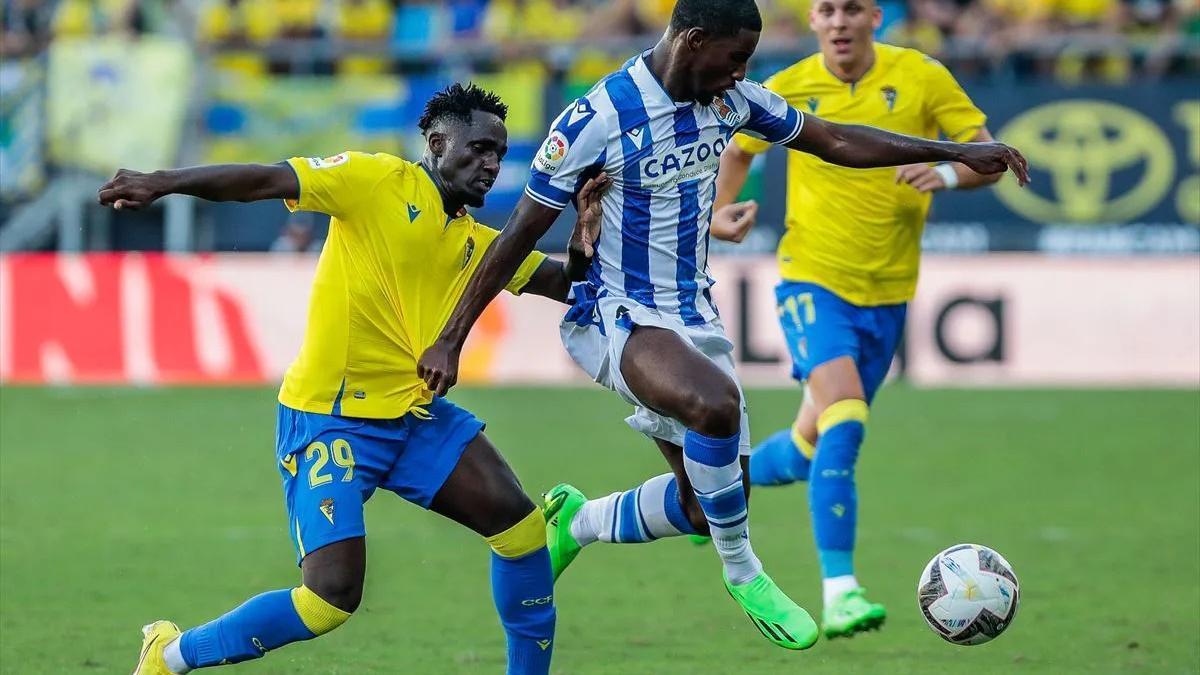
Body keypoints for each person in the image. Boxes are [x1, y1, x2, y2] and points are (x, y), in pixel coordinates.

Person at [415, 0, 1028, 651]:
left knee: (700, 507)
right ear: (694, 40)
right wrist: (451, 338)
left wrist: (958, 149)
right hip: (614, 311)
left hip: (692, 311)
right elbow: (516, 236)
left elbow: (836, 139)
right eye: (734, 58)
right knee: (716, 404)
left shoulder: (733, 100)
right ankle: (746, 573)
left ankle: (575, 521)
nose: (741, 72)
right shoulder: (599, 117)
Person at [100, 83, 609, 675]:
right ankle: (171, 655)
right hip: (329, 418)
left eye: (498, 152)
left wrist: (580, 246)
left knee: (521, 533)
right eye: (478, 148)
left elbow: (561, 284)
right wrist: (163, 182)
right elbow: (266, 180)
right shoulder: (375, 182)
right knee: (327, 602)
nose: (491, 164)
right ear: (437, 142)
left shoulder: (479, 241)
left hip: (412, 419)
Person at [708, 0, 1009, 640]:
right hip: (811, 276)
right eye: (826, 10)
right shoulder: (786, 88)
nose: (839, 21)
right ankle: (840, 590)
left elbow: (986, 158)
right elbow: (737, 152)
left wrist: (949, 176)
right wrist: (720, 212)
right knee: (846, 414)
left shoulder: (922, 77)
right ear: (813, 22)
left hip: (890, 292)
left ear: (876, 16)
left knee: (807, 449)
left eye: (851, 8)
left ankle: (690, 498)